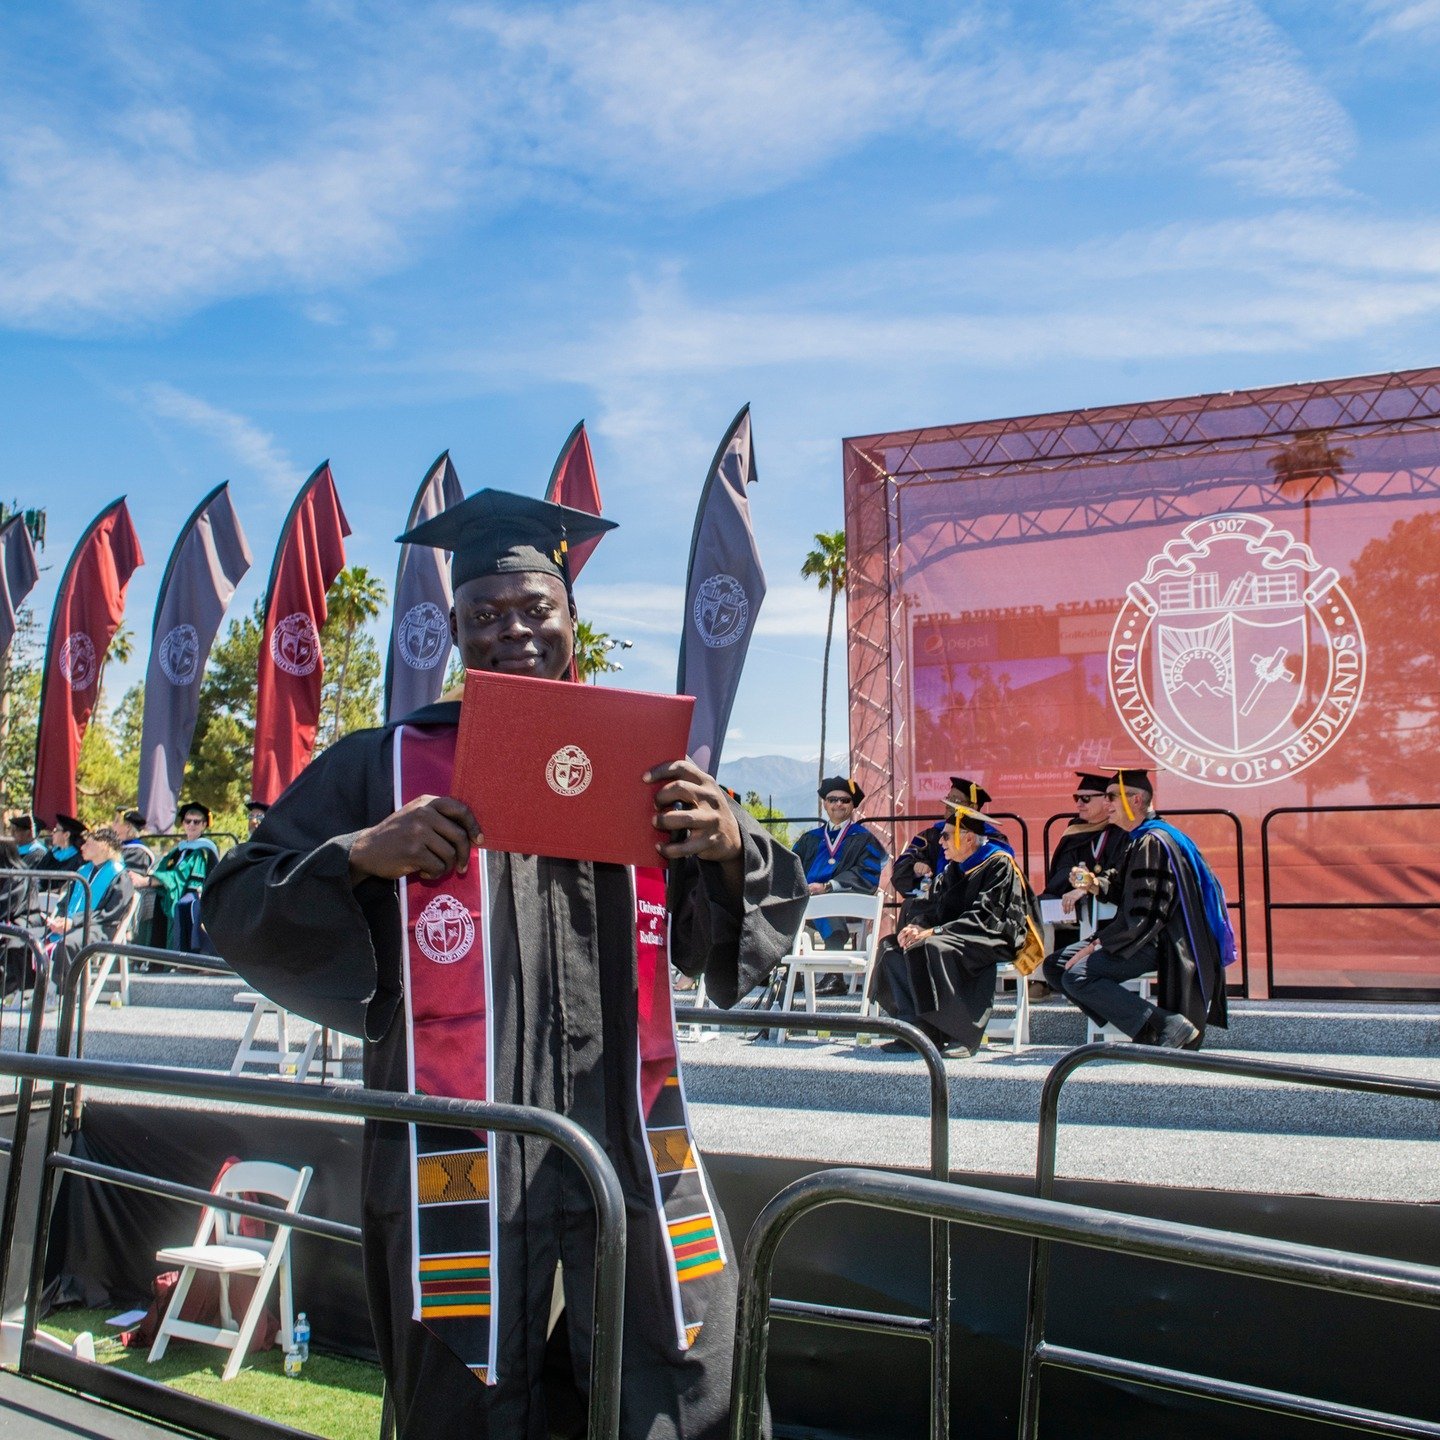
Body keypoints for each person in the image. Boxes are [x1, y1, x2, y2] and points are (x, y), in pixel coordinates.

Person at [203, 488, 808, 1440]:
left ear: (574, 622)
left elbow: (739, 926)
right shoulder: (387, 765)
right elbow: (237, 898)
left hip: (630, 1121)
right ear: (453, 630)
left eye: (536, 611)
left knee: (688, 1361)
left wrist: (733, 843)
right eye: (485, 616)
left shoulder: (640, 761)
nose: (513, 632)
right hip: (457, 1138)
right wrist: (362, 853)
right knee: (463, 1386)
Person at [1040, 769, 1231, 1048]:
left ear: (1137, 800)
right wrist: (1094, 884)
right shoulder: (1140, 838)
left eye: (1111, 797)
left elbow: (1146, 913)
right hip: (1139, 932)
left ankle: (1167, 1024)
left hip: (1159, 941)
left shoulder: (1152, 841)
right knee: (1055, 967)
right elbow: (1123, 886)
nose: (1106, 805)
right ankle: (1148, 1028)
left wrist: (1096, 944)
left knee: (1078, 974)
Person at [871, 806, 1038, 1056]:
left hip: (992, 934)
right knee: (893, 947)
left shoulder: (999, 864)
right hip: (959, 932)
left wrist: (936, 932)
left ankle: (962, 1036)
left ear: (968, 838)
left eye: (947, 836)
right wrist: (918, 926)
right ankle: (918, 1029)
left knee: (934, 946)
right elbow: (937, 907)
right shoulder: (954, 868)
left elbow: (987, 917)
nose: (940, 841)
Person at [791, 777, 887, 969]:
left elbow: (867, 873)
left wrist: (828, 887)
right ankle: (788, 973)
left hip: (845, 901)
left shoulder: (863, 839)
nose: (838, 804)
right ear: (825, 804)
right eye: (832, 799)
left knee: (829, 905)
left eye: (845, 800)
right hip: (807, 899)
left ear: (853, 805)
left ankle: (833, 975)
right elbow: (791, 868)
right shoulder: (810, 839)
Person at [33, 825, 134, 1005]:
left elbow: (110, 914)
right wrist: (60, 919)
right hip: (72, 925)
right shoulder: (82, 872)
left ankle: (59, 995)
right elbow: (65, 903)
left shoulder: (120, 876)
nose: (82, 847)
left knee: (68, 942)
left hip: (100, 928)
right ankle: (26, 990)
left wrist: (73, 922)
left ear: (104, 846)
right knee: (26, 940)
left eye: (89, 843)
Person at [890, 776, 991, 927]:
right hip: (934, 901)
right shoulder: (930, 836)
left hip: (968, 905)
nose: (948, 804)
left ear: (973, 808)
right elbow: (901, 868)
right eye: (948, 798)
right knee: (911, 905)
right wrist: (916, 870)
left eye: (955, 801)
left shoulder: (991, 840)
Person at [135, 802, 218, 952]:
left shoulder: (204, 849)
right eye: (188, 821)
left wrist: (149, 880)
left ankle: (178, 956)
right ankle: (146, 956)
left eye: (196, 822)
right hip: (169, 892)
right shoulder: (178, 850)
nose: (191, 825)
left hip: (194, 892)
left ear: (204, 825)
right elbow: (162, 869)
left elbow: (180, 875)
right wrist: (151, 879)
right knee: (147, 897)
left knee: (183, 903)